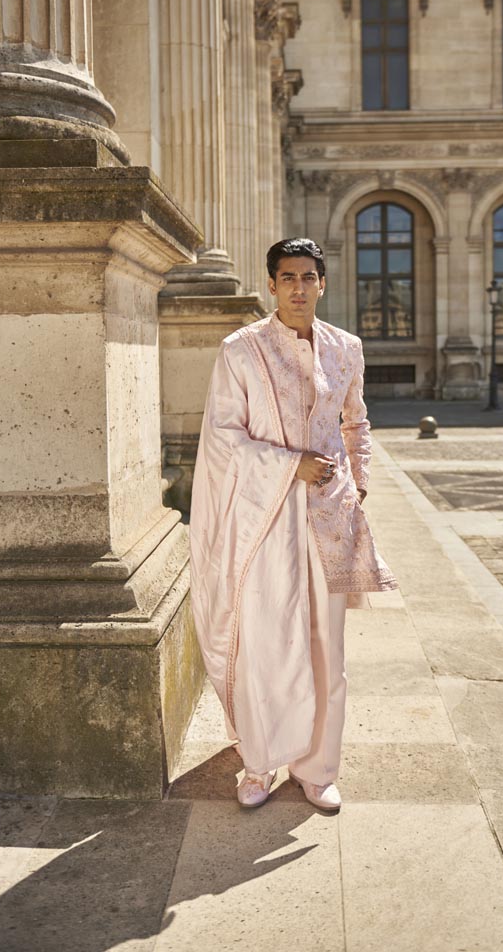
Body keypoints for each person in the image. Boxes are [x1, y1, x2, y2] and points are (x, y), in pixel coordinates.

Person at [189, 238, 397, 812]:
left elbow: (356, 422)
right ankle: (260, 763)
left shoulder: (346, 348)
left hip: (330, 518)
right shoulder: (241, 351)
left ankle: (317, 769)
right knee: (267, 642)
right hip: (266, 518)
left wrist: (360, 481)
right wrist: (289, 466)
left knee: (327, 649)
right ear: (272, 286)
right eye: (287, 278)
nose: (299, 288)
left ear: (322, 284)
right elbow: (224, 436)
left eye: (308, 277)